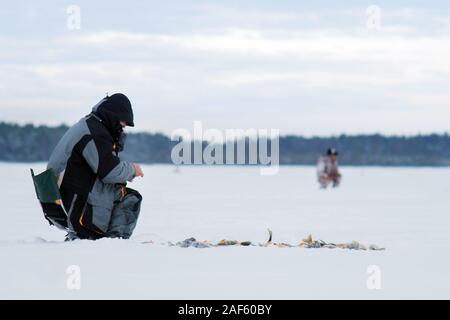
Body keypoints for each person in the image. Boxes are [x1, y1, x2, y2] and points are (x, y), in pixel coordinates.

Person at [47, 93, 144, 240]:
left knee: (121, 191)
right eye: (123, 122)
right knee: (131, 198)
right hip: (78, 205)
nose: (123, 127)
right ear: (113, 116)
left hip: (71, 198)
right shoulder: (94, 132)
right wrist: (132, 169)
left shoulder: (89, 125)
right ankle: (114, 242)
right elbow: (110, 171)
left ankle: (105, 239)